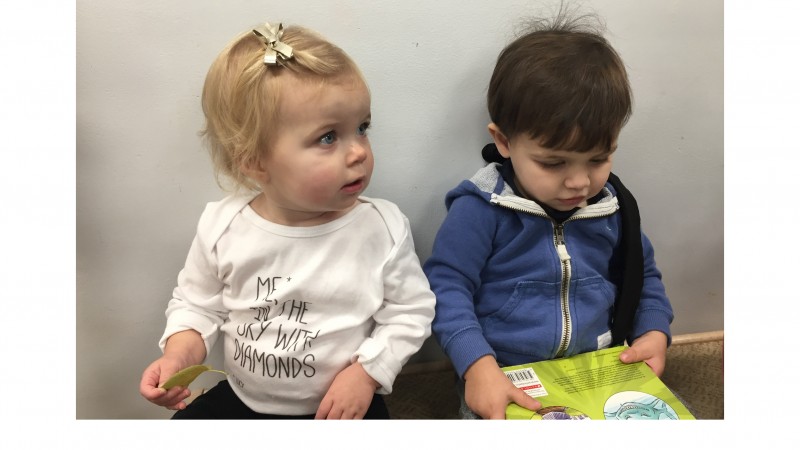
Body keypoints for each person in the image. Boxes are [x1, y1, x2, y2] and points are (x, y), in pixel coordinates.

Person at [139, 21, 435, 420]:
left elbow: (410, 312)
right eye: (328, 137)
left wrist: (367, 373)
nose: (358, 153)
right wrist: (179, 353)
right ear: (254, 160)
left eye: (362, 128)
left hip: (342, 402)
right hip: (242, 400)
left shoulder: (381, 228)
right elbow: (197, 304)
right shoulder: (224, 226)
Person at [423, 12, 674, 420]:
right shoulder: (480, 209)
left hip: (599, 367)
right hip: (505, 372)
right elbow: (446, 288)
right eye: (553, 163)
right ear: (503, 141)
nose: (579, 182)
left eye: (598, 158)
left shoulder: (613, 208)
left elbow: (642, 274)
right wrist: (476, 364)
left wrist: (653, 330)